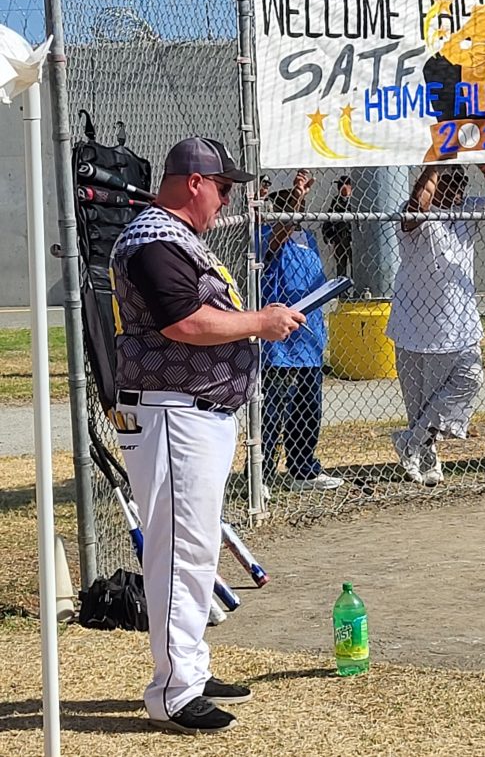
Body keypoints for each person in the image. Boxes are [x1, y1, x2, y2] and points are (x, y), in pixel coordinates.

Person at [109, 137, 305, 733]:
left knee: (195, 549)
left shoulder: (177, 237)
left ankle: (189, 668)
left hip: (197, 413)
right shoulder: (153, 239)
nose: (225, 201)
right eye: (222, 188)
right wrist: (260, 322)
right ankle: (173, 690)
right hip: (172, 413)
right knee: (178, 549)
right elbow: (184, 321)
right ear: (193, 181)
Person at [387, 163, 485, 486]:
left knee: (471, 378)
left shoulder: (467, 210)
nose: (458, 188)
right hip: (414, 326)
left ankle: (410, 443)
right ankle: (427, 458)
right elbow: (419, 205)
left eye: (462, 180)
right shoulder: (415, 212)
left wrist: (484, 164)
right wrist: (436, 164)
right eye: (450, 181)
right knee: (419, 406)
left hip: (460, 326)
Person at [260, 169, 345, 490]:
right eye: (292, 209)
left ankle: (303, 469)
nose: (297, 215)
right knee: (275, 410)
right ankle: (263, 473)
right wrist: (297, 196)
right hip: (281, 344)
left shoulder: (307, 239)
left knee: (307, 411)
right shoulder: (267, 236)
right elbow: (278, 234)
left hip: (309, 339)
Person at [323, 175, 353, 277]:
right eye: (340, 185)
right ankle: (342, 292)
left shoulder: (355, 201)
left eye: (345, 184)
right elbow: (329, 217)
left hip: (351, 237)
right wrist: (327, 233)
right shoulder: (336, 200)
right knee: (341, 266)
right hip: (339, 237)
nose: (342, 187)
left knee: (355, 265)